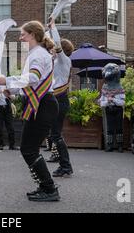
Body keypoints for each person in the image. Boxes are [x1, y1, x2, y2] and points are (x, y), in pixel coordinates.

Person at [0, 21, 60, 202]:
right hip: (41, 103)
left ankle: (49, 188)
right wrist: (12, 90)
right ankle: (44, 185)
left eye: (22, 34)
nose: (20, 37)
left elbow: (33, 78)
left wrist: (6, 80)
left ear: (32, 34)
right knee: (29, 149)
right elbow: (31, 84)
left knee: (28, 149)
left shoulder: (38, 54)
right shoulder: (36, 54)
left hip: (43, 105)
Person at [45, 17, 74, 177]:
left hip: (60, 100)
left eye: (56, 49)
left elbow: (56, 44)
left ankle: (66, 166)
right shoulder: (56, 62)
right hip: (57, 100)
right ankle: (63, 163)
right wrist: (48, 30)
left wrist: (53, 28)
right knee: (55, 133)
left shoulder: (65, 61)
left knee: (56, 134)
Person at [99, 63, 125, 152]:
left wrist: (113, 100)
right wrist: (107, 101)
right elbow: (102, 103)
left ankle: (120, 145)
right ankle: (109, 146)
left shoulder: (120, 88)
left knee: (119, 127)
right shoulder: (104, 88)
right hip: (108, 108)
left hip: (118, 109)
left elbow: (122, 102)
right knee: (109, 128)